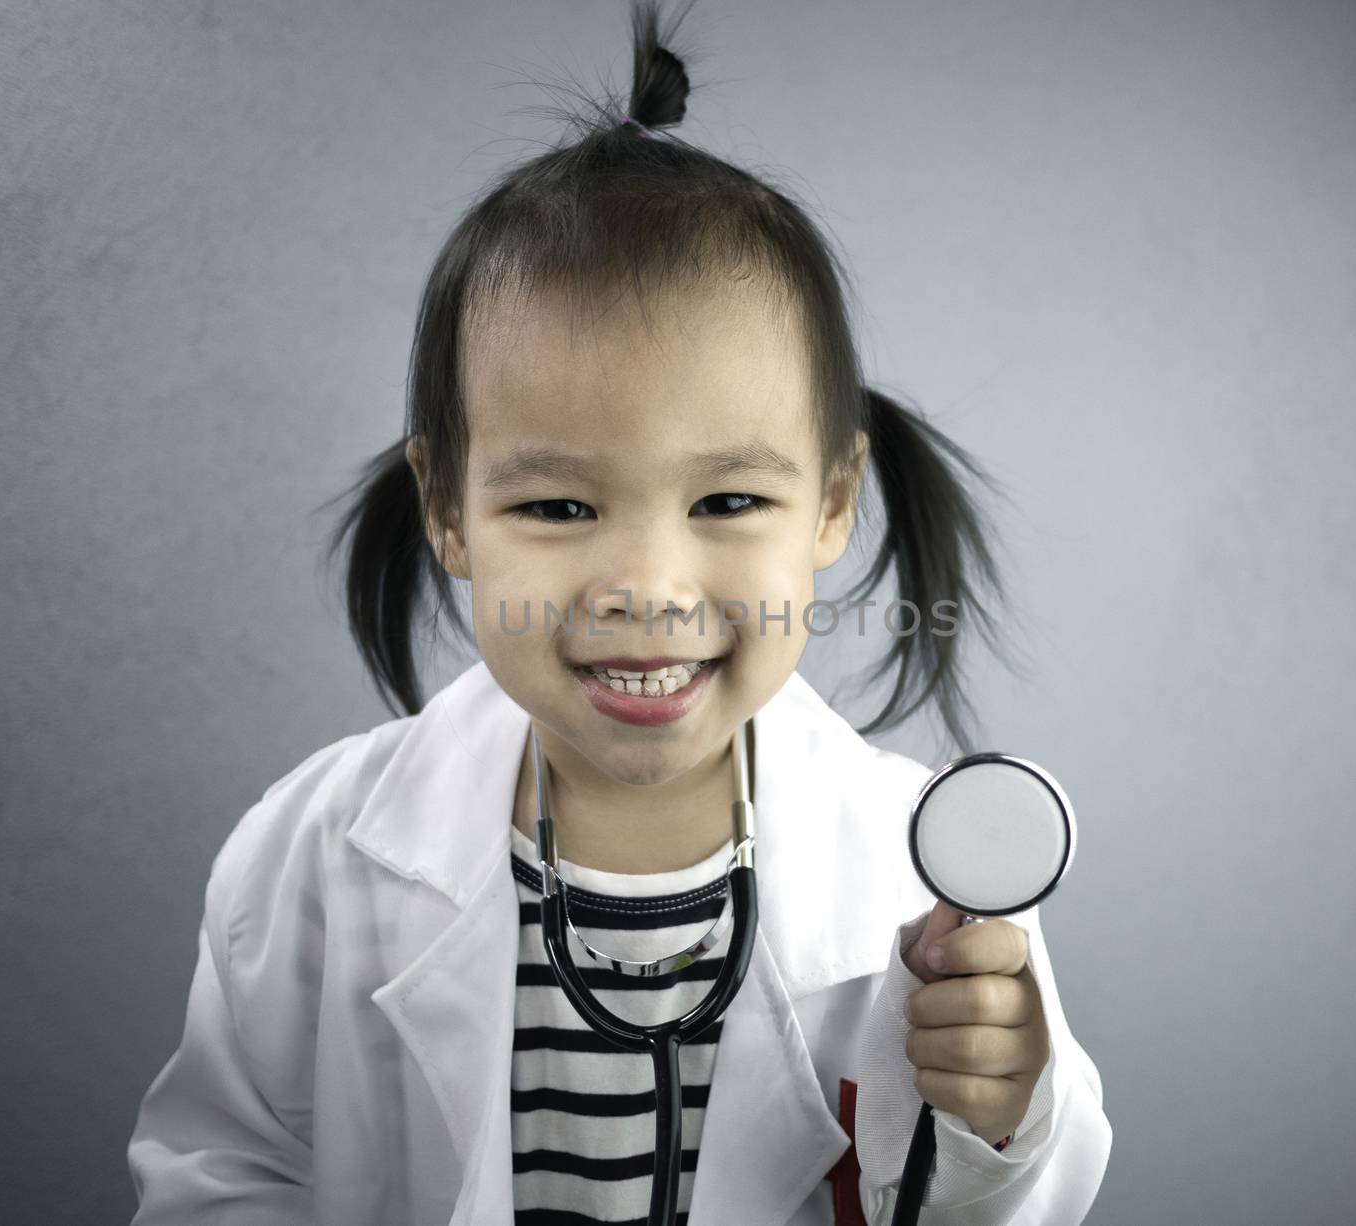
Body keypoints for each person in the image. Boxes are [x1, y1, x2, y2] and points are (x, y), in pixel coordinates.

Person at [125, 2, 1112, 1222]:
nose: (646, 583)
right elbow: (222, 1169)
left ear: (832, 503)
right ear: (446, 511)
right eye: (555, 506)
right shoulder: (309, 859)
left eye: (729, 496)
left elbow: (1008, 1201)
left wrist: (1003, 1110)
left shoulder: (923, 882)